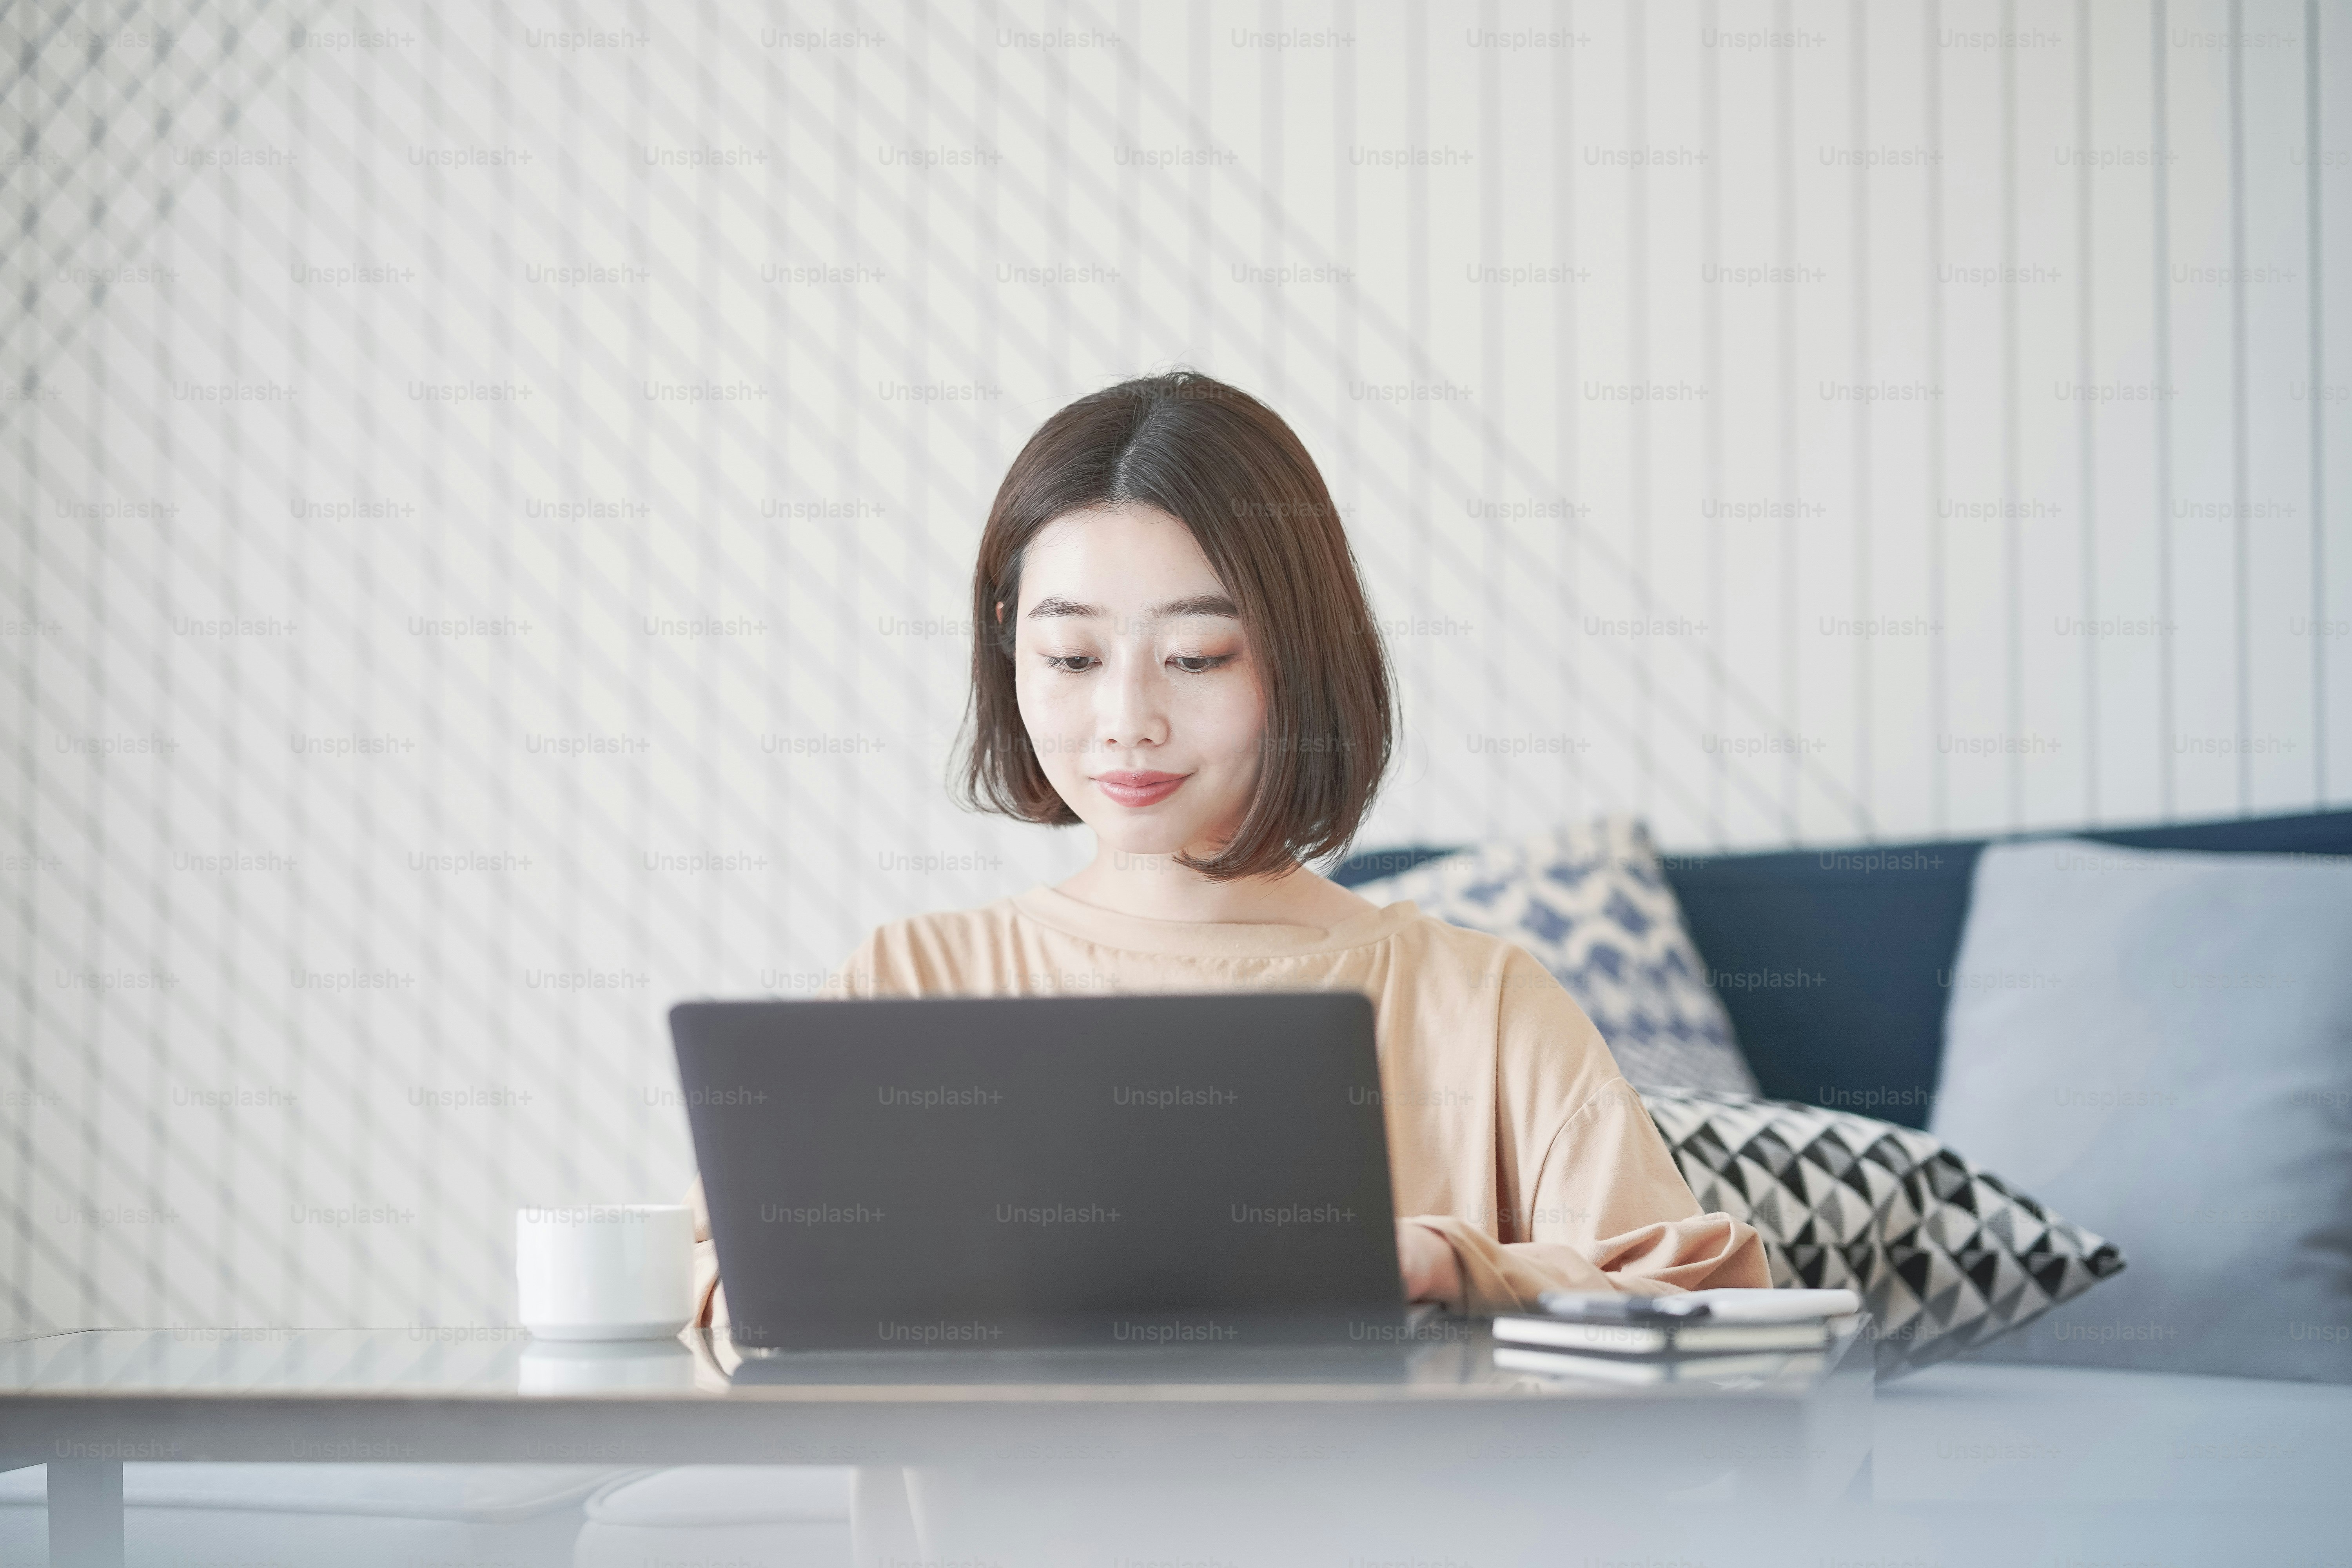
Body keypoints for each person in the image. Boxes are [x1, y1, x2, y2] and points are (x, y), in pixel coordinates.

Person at [691, 370, 1766, 1325]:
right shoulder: (911, 986)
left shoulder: (1478, 1001)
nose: (1127, 719)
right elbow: (714, 1285)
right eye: (1069, 656)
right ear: (1008, 647)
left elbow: (1709, 1305)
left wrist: (1451, 1263)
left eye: (1197, 658)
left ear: (1299, 662)